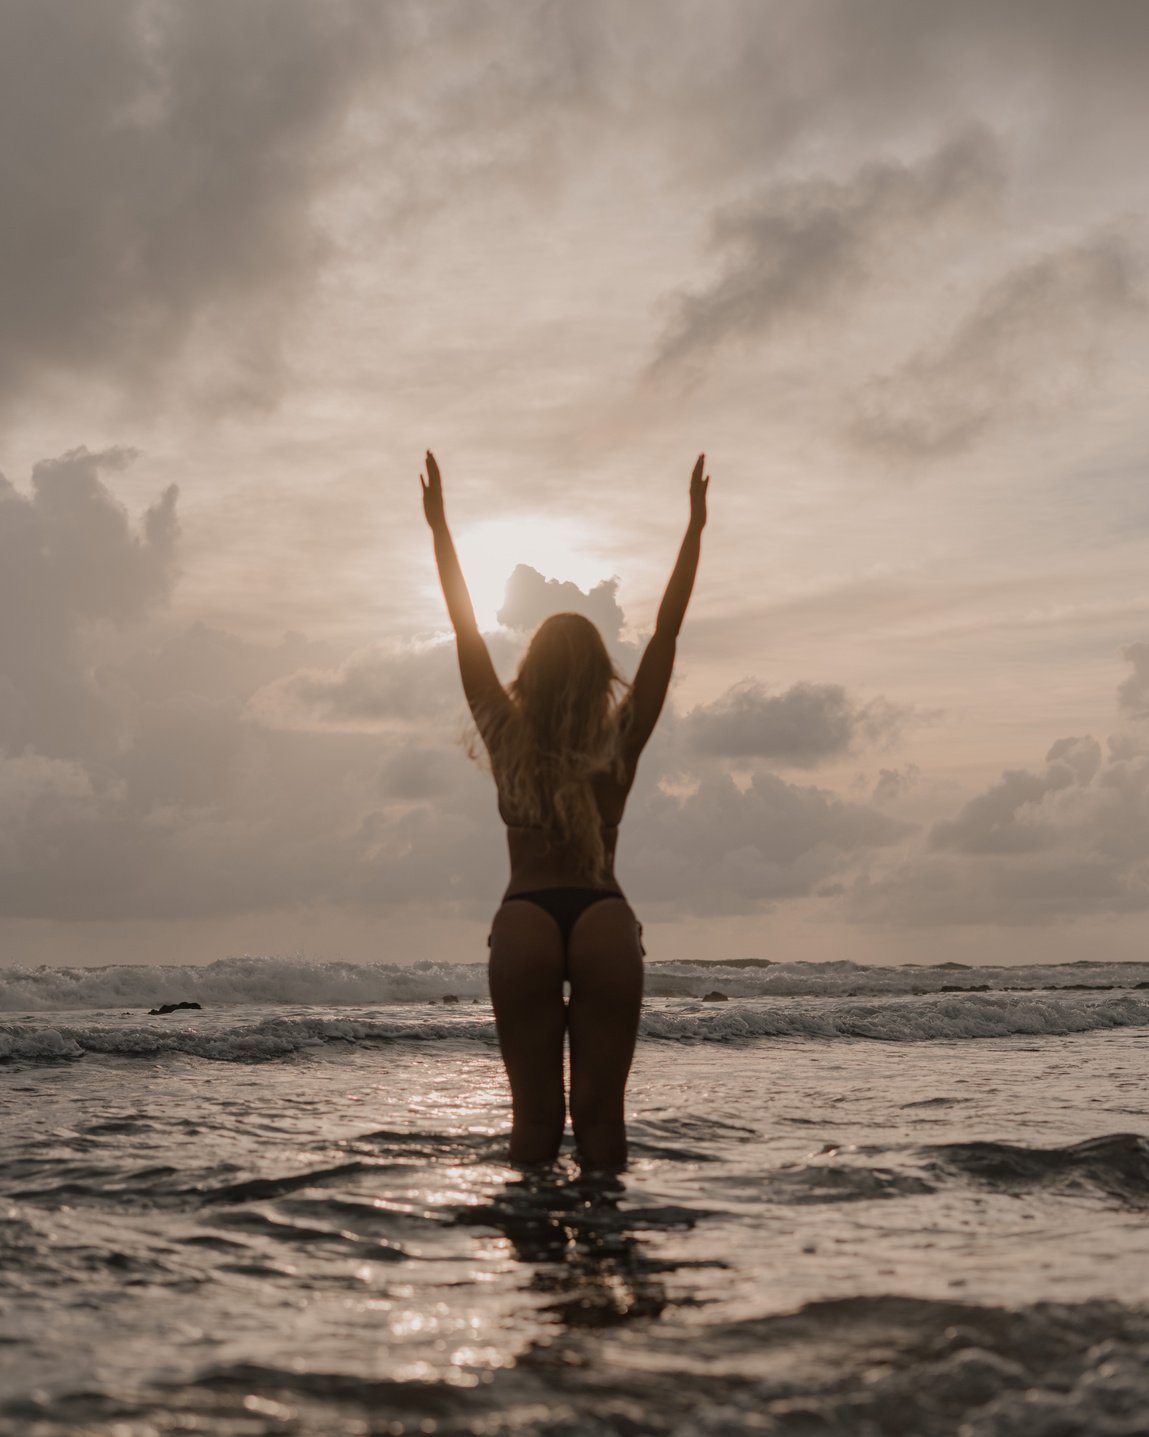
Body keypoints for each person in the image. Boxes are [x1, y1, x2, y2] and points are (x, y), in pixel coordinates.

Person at [421, 450, 708, 1169]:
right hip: (604, 918)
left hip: (524, 920)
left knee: (534, 1126)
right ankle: (606, 1260)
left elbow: (464, 633)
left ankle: (540, 1275)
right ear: (596, 674)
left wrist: (440, 529)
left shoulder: (505, 736)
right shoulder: (616, 744)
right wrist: (693, 528)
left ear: (531, 671)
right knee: (602, 1126)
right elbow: (668, 636)